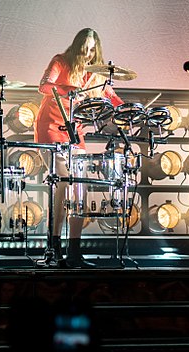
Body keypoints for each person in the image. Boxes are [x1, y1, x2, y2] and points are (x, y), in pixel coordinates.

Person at [34, 28, 124, 268]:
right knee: (63, 185)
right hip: (51, 128)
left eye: (92, 49)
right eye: (84, 47)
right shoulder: (61, 61)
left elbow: (114, 100)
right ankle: (53, 249)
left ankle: (74, 251)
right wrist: (67, 90)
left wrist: (130, 112)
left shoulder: (96, 75)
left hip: (75, 134)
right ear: (76, 46)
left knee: (79, 192)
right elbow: (44, 86)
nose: (88, 52)